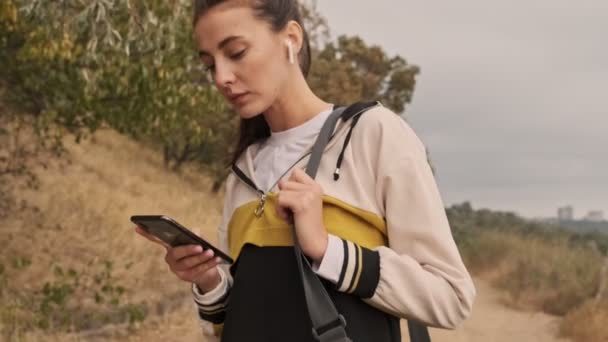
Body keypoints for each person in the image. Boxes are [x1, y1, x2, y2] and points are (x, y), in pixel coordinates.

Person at [135, 0, 476, 341]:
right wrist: (208, 281)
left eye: (236, 52)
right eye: (210, 65)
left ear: (292, 38)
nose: (222, 78)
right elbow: (229, 326)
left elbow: (451, 297)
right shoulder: (242, 171)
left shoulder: (372, 134)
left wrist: (328, 250)